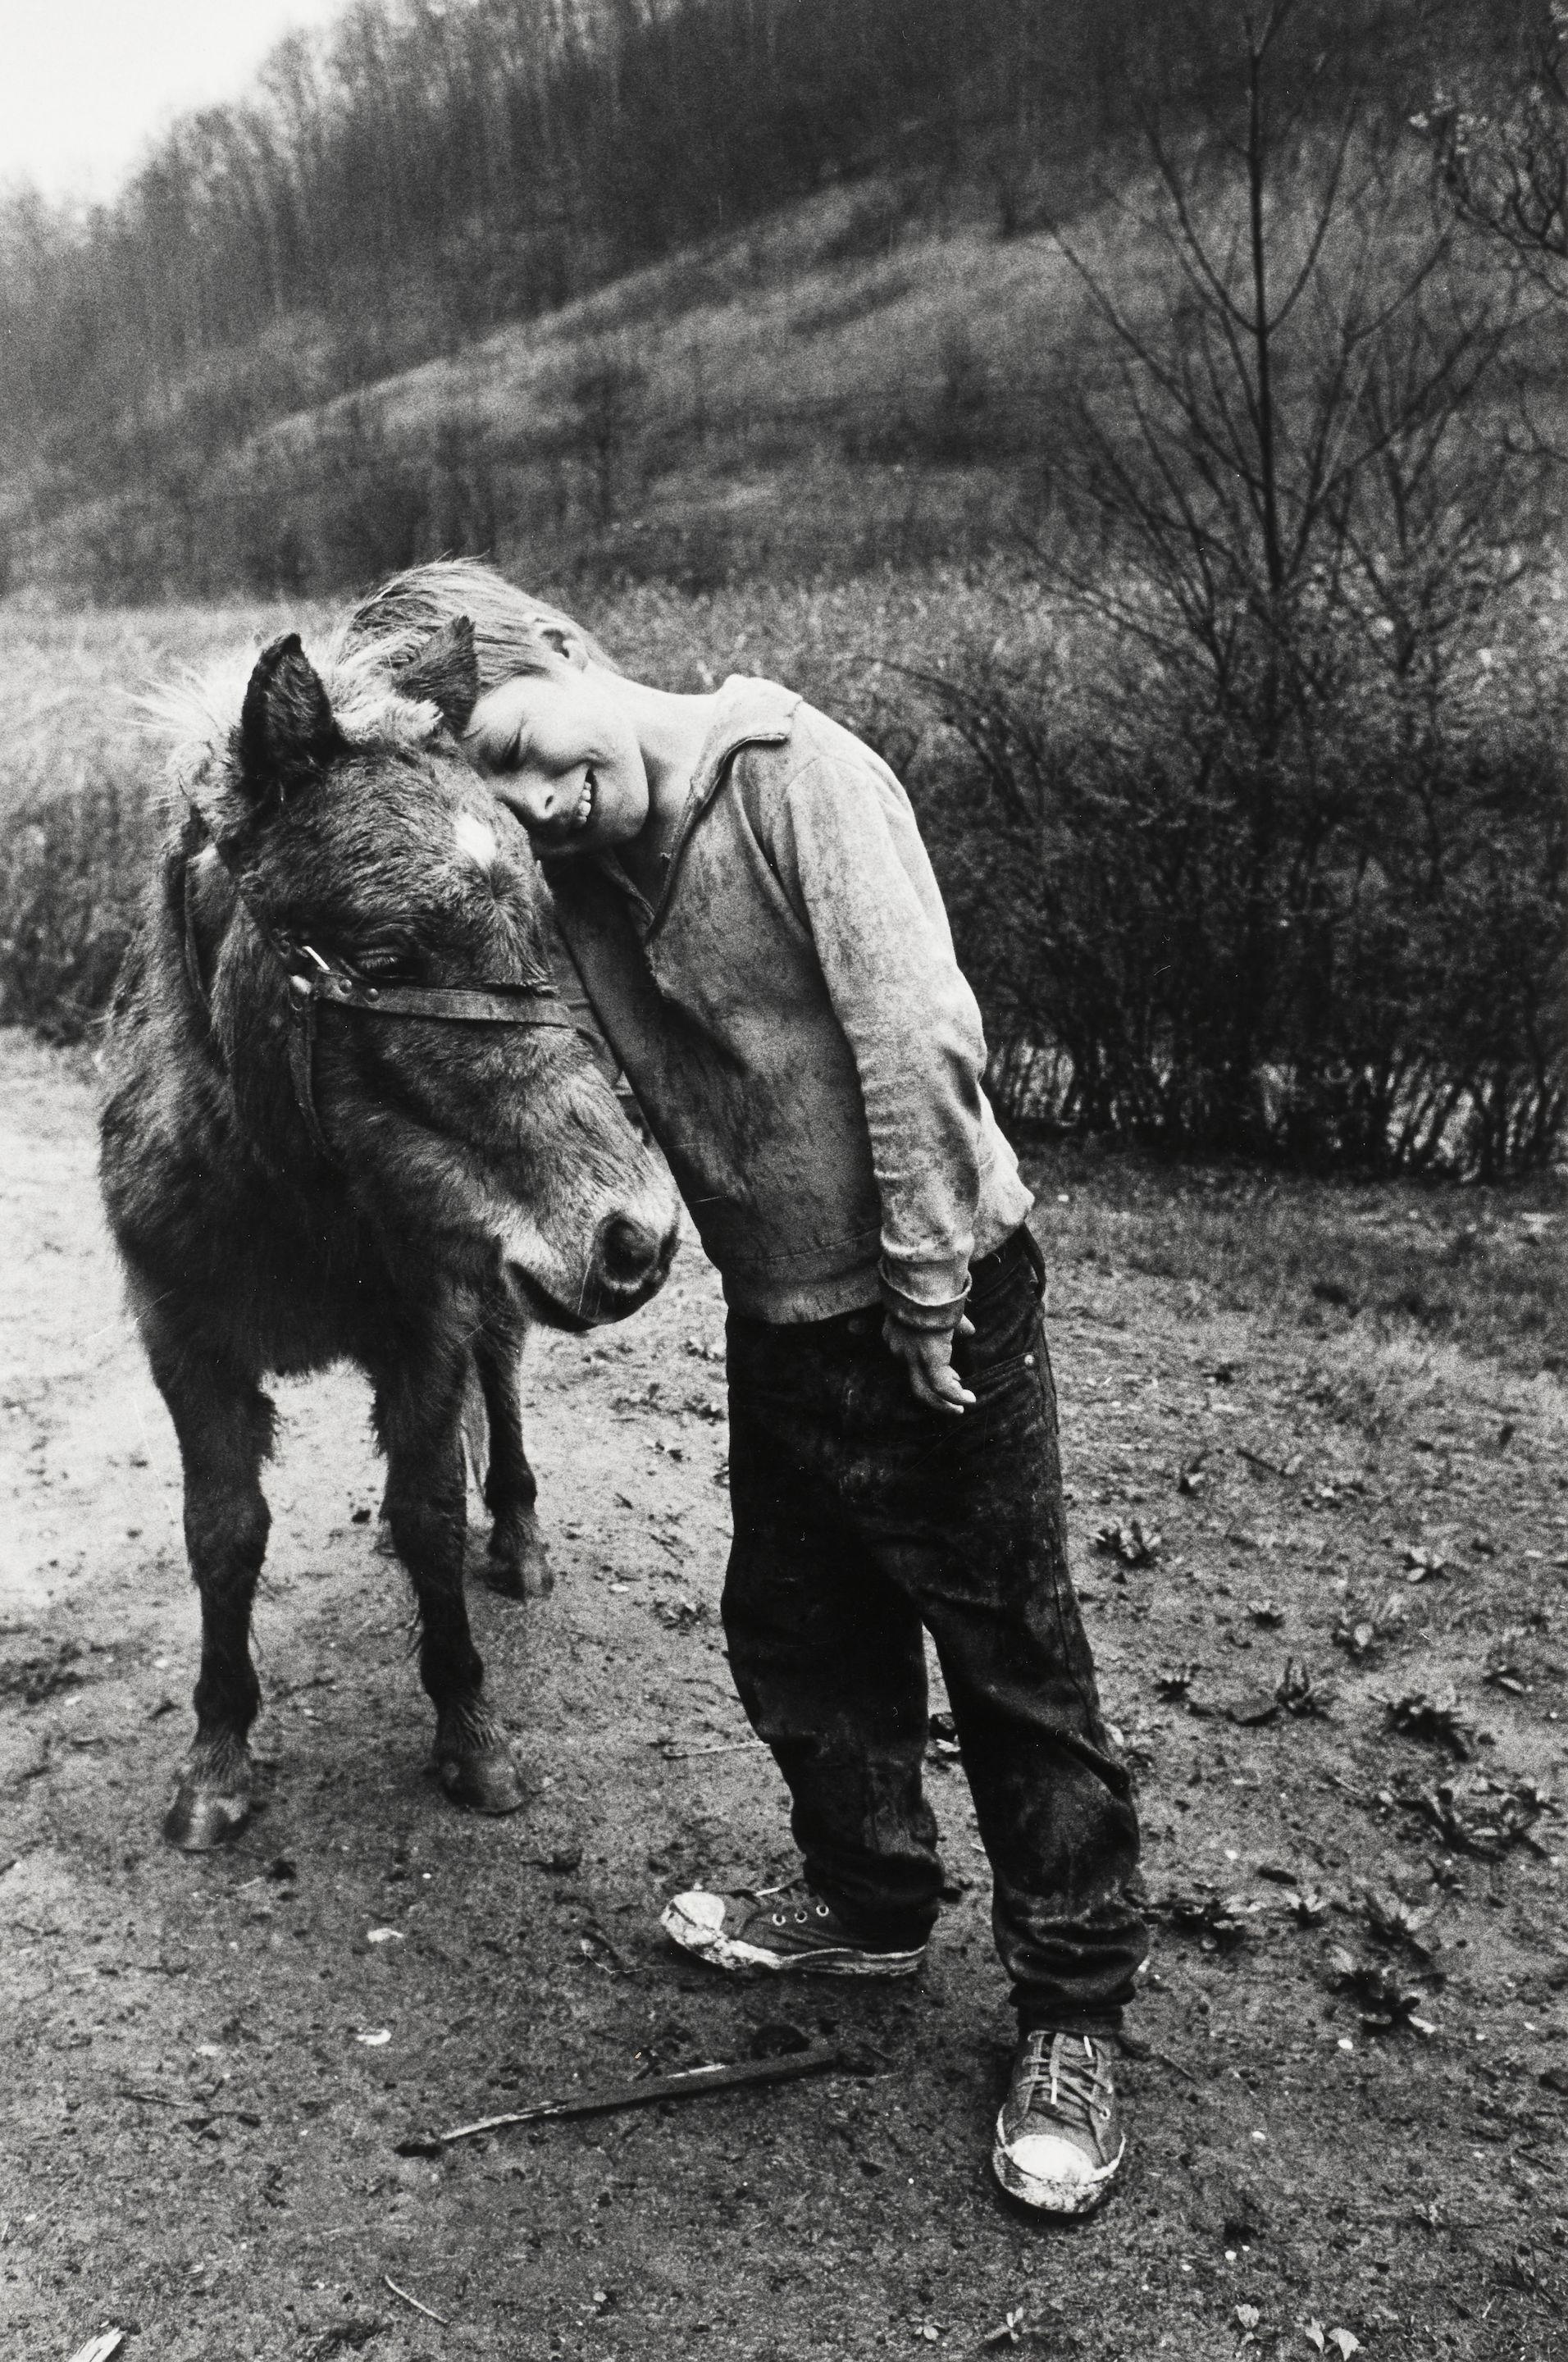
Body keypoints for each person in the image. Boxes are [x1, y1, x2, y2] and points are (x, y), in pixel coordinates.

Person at [351, 560, 1146, 2215]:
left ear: (564, 655)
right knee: (796, 1624)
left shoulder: (792, 778)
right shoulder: (573, 873)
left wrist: (926, 1286)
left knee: (1006, 1655)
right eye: (478, 788)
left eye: (508, 738)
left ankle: (1071, 2006)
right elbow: (500, 1030)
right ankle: (865, 1907)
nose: (520, 795)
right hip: (786, 1312)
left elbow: (915, 1035)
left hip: (940, 1302)